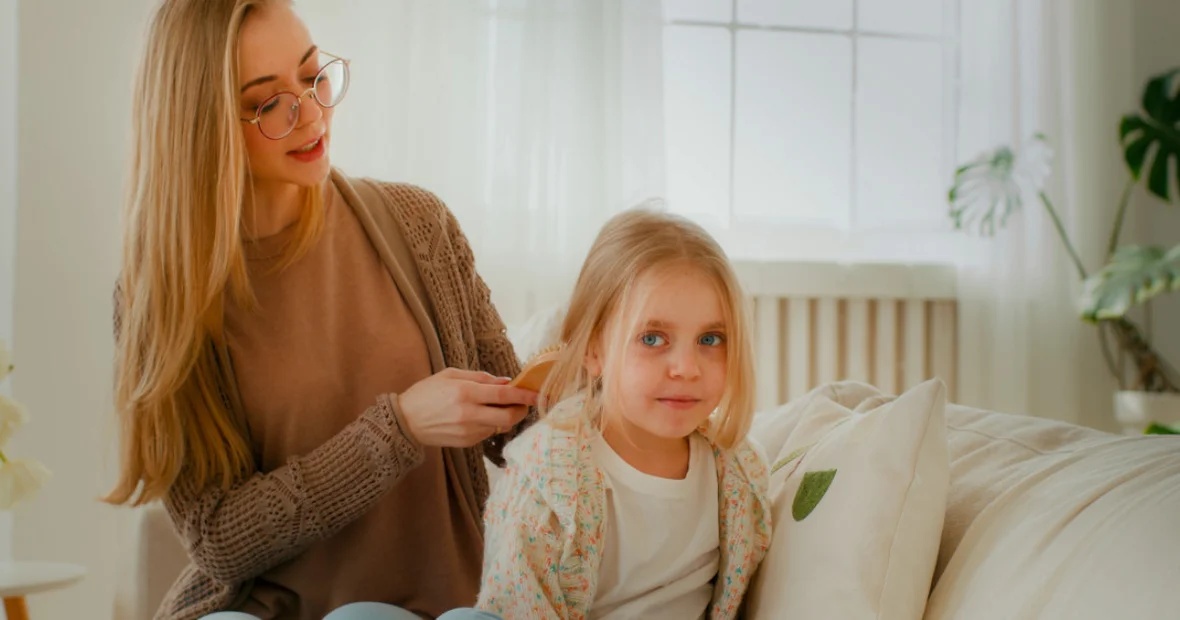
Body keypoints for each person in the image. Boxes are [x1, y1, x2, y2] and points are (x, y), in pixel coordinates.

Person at [104, 1, 534, 618]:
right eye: (265, 102)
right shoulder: (162, 299)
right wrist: (401, 428)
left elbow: (518, 424)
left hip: (450, 604)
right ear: (201, 122)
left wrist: (596, 378)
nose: (309, 113)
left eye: (313, 76)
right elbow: (219, 539)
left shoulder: (419, 224)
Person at [474, 209, 773, 619]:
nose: (687, 367)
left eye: (710, 338)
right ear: (595, 350)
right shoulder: (545, 482)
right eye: (653, 338)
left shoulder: (740, 476)